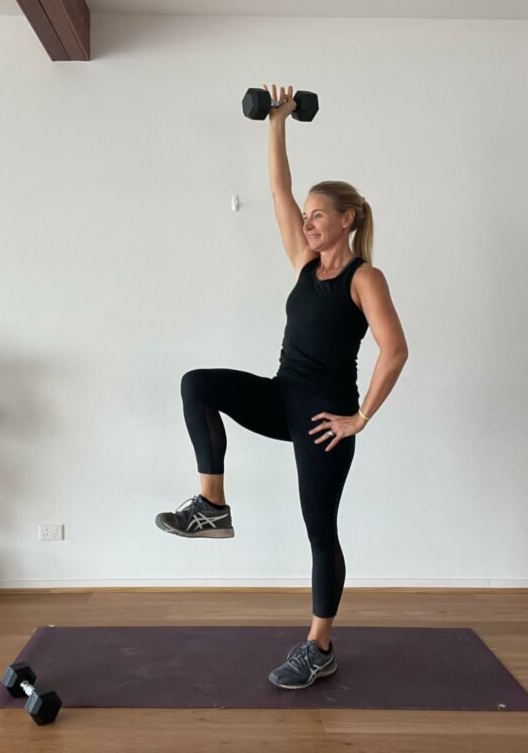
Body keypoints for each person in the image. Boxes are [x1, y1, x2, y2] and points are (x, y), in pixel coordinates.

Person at [155, 83, 409, 690]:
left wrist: (360, 418)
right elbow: (278, 190)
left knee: (319, 530)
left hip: (324, 419)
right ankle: (212, 505)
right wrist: (277, 120)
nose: (307, 221)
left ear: (348, 219)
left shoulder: (363, 276)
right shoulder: (302, 261)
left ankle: (319, 645)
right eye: (307, 215)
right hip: (281, 395)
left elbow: (394, 350)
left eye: (319, 214)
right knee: (198, 384)